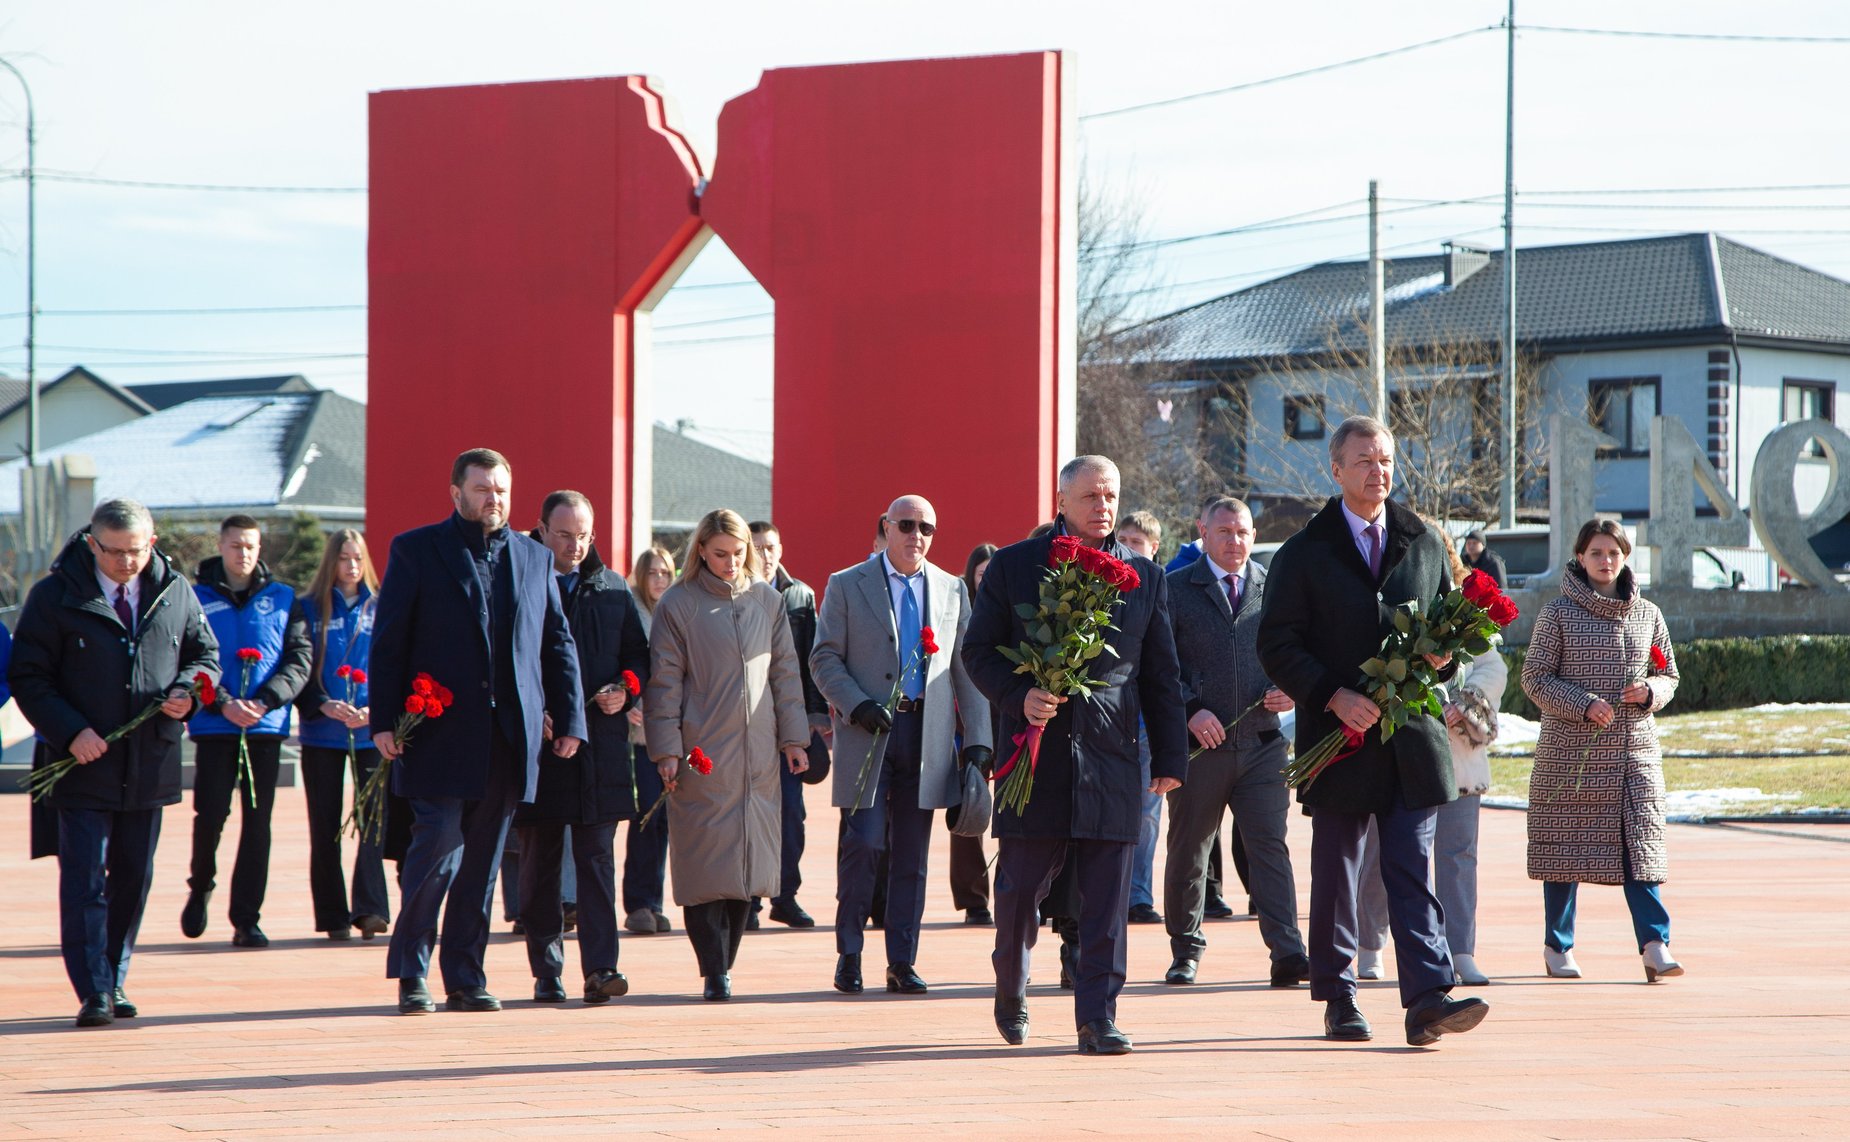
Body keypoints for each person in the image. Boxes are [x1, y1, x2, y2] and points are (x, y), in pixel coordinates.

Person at [1257, 415, 1489, 1047]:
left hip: (1411, 738)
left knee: (1411, 867)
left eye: (1386, 460)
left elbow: (1448, 629)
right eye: (1363, 461)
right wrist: (1332, 695)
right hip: (1340, 739)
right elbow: (1276, 644)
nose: (1378, 471)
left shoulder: (1423, 541)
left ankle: (1427, 999)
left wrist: (1446, 658)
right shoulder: (1305, 551)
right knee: (1338, 871)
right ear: (1336, 470)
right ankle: (1338, 997)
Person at [963, 455, 1189, 1056]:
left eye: (1110, 495)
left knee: (1107, 900)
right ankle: (1011, 984)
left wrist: (1171, 756)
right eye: (1090, 496)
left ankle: (1097, 1018)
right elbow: (978, 652)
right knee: (1019, 891)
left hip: (1113, 757)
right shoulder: (1015, 566)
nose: (1103, 506)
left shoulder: (1144, 576)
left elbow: (1160, 675)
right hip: (1035, 753)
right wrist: (1019, 696)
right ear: (1061, 501)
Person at [371, 447, 586, 1015]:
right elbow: (389, 641)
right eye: (483, 489)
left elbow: (556, 642)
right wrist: (383, 720)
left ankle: (465, 978)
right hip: (436, 734)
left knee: (482, 867)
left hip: (508, 740)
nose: (494, 499)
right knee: (437, 851)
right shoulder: (417, 550)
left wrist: (570, 719)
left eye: (501, 491)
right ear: (457, 493)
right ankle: (412, 973)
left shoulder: (534, 558)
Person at [10, 499, 220, 1027]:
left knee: (133, 874)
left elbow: (205, 656)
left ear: (152, 543)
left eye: (137, 551)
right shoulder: (55, 596)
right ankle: (94, 990)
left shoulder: (175, 590)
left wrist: (189, 693)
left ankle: (114, 973)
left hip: (149, 760)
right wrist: (70, 731)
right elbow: (29, 675)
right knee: (85, 878)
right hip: (81, 762)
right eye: (114, 552)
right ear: (92, 544)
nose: (127, 562)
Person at [812, 495, 992, 996]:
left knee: (913, 855)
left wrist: (978, 741)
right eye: (907, 525)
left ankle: (902, 961)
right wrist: (857, 705)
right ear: (887, 527)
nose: (917, 536)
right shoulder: (847, 584)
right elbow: (823, 659)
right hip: (868, 733)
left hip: (927, 735)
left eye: (926, 528)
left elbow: (966, 669)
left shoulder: (951, 588)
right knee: (865, 844)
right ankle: (850, 953)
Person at [644, 509, 810, 1001]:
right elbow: (664, 682)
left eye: (739, 553)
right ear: (700, 550)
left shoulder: (767, 600)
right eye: (720, 554)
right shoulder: (678, 604)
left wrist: (794, 739)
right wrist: (667, 749)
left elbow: (785, 674)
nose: (731, 562)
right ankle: (713, 967)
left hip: (758, 754)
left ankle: (725, 964)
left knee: (748, 866)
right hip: (701, 754)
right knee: (704, 864)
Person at [1521, 518, 1683, 983]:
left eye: (1613, 552)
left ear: (1625, 557)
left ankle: (1655, 945)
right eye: (1596, 552)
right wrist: (1583, 703)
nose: (1605, 561)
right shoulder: (1557, 613)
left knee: (1641, 847)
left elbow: (1669, 675)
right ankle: (1558, 946)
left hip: (1635, 755)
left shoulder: (1648, 613)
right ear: (1580, 557)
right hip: (1571, 758)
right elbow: (1534, 678)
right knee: (1564, 851)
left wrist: (1650, 691)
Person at [1351, 524, 1509, 987]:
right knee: (1381, 853)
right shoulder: (1391, 601)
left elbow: (1492, 667)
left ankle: (1461, 950)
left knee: (1458, 856)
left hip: (1458, 753)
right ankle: (1369, 944)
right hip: (1401, 749)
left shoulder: (1465, 605)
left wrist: (1464, 704)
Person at [1163, 495, 1309, 989]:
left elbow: (1297, 651)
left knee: (1270, 849)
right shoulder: (1175, 588)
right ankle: (1186, 950)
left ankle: (1288, 952)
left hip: (1263, 745)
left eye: (1243, 532)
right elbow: (1158, 667)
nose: (1235, 541)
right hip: (1200, 749)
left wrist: (1291, 687)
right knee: (1190, 851)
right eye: (1224, 531)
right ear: (1202, 532)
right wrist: (1189, 709)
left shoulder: (1275, 586)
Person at [515, 490, 650, 1004]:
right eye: (564, 535)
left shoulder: (612, 588)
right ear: (541, 530)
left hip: (600, 747)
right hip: (541, 747)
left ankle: (602, 968)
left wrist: (626, 689)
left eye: (584, 536)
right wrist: (533, 711)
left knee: (596, 862)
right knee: (541, 866)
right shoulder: (521, 581)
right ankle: (547, 971)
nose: (574, 546)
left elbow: (639, 655)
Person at [182, 515, 313, 948]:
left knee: (258, 823)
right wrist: (221, 701)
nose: (244, 554)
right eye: (236, 545)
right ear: (221, 546)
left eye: (251, 546)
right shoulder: (194, 597)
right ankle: (201, 884)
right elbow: (188, 657)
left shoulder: (283, 598)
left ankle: (246, 919)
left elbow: (299, 659)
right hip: (215, 724)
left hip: (264, 725)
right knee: (211, 815)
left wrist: (265, 701)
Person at [293, 528, 392, 942]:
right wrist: (322, 704)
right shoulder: (307, 607)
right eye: (344, 558)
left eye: (358, 558)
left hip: (371, 732)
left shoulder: (382, 605)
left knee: (372, 823)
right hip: (322, 732)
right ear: (330, 561)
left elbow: (396, 664)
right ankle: (332, 914)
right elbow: (296, 667)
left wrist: (377, 710)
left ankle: (370, 910)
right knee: (325, 826)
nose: (352, 566)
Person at [748, 519, 832, 929]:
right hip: (746, 723)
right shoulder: (735, 593)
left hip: (790, 722)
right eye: (758, 547)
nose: (765, 555)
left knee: (791, 813)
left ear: (780, 551)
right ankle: (747, 901)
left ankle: (785, 896)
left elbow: (812, 661)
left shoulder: (800, 595)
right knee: (749, 813)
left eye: (771, 547)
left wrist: (815, 717)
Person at [1113, 510, 1167, 927]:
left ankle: (1138, 895)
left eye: (1138, 542)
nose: (1129, 548)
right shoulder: (1101, 585)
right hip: (1110, 719)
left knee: (1147, 813)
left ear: (1154, 548)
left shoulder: (1160, 587)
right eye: (1124, 540)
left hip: (1147, 724)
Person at [622, 545, 677, 936]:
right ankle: (638, 904)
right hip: (640, 735)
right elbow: (620, 661)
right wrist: (627, 700)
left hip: (673, 731)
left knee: (664, 821)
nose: (660, 579)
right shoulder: (630, 608)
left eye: (666, 572)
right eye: (653, 572)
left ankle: (654, 903)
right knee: (644, 817)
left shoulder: (675, 610)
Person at [947, 542, 1000, 926]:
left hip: (1010, 719)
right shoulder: (958, 609)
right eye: (982, 573)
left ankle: (1020, 892)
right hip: (967, 726)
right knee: (970, 808)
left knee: (1016, 811)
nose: (987, 579)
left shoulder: (1011, 608)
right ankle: (973, 899)